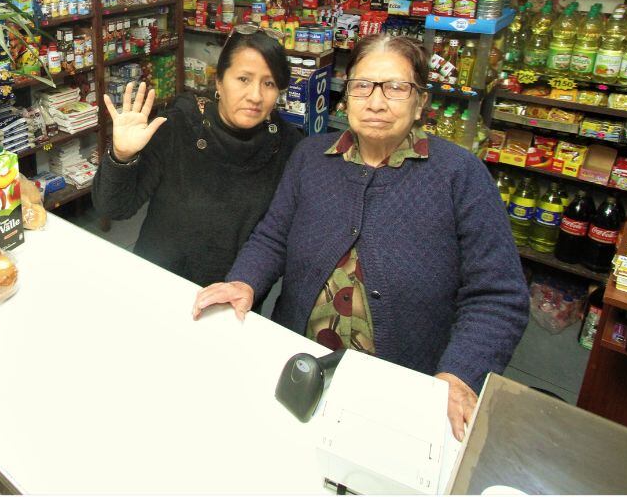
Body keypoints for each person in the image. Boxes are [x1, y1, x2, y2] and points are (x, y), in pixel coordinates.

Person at [192, 34, 528, 440]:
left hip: (402, 387)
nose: (376, 102)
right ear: (347, 95)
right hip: (300, 363)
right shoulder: (311, 158)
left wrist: (460, 375)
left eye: (396, 88)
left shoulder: (460, 175)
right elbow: (273, 236)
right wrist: (244, 281)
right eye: (362, 86)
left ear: (420, 101)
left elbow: (498, 296)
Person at [92, 27, 302, 287]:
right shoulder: (178, 126)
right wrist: (121, 157)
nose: (255, 96)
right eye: (243, 79)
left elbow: (279, 239)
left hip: (233, 294)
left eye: (269, 83)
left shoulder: (288, 146)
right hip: (160, 283)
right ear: (219, 81)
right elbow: (113, 208)